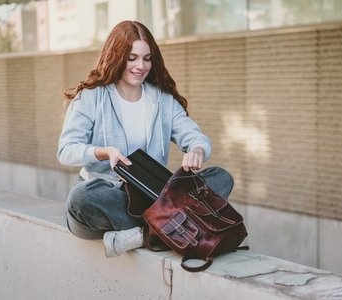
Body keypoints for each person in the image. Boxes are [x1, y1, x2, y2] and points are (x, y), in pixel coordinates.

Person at [57, 20, 234, 258]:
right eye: (132, 58)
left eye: (147, 58)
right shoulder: (91, 97)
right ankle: (164, 230)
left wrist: (198, 150)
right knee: (81, 198)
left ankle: (142, 236)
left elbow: (194, 136)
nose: (141, 66)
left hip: (153, 198)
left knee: (221, 178)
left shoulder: (162, 100)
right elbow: (66, 150)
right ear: (116, 56)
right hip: (109, 197)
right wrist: (105, 152)